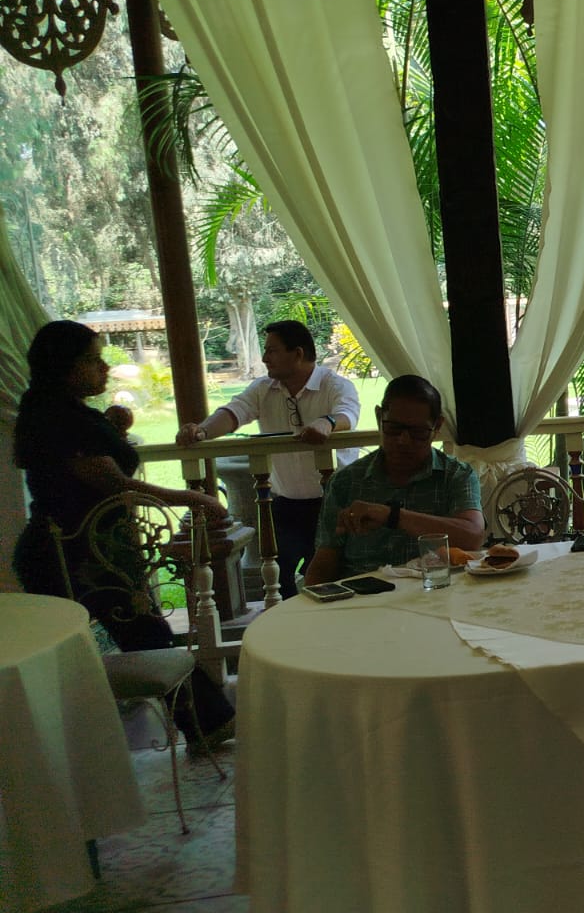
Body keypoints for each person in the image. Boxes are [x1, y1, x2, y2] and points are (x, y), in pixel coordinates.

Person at [11, 320, 235, 748]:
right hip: (70, 555)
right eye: (92, 360)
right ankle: (206, 724)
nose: (104, 368)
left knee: (146, 636)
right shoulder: (55, 416)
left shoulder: (61, 410)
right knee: (141, 638)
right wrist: (191, 498)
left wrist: (112, 430)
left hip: (87, 550)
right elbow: (112, 482)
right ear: (64, 366)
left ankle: (207, 724)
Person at [175, 320, 360, 596]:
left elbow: (347, 413)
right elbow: (234, 412)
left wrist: (327, 423)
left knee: (329, 577)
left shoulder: (335, 385)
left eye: (272, 351)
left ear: (297, 354)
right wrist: (201, 431)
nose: (264, 358)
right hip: (284, 504)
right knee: (279, 576)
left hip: (332, 504)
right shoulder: (263, 388)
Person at [302, 375, 483, 583]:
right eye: (394, 429)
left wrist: (391, 516)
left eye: (418, 432)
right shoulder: (346, 482)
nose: (403, 440)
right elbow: (323, 565)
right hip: (362, 597)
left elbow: (473, 536)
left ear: (437, 426)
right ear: (379, 417)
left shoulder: (456, 475)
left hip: (434, 594)